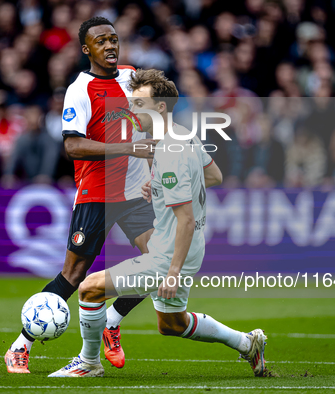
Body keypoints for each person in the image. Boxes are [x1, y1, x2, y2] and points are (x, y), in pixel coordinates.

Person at [48, 69, 268, 378]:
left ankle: (88, 363)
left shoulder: (167, 152)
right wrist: (164, 187)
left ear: (160, 107)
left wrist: (172, 272)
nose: (132, 109)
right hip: (191, 249)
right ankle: (248, 343)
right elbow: (214, 175)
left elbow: (187, 221)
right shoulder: (183, 133)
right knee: (171, 324)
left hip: (169, 253)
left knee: (89, 288)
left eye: (139, 104)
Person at [4, 16, 157, 373]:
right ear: (86, 49)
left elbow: (153, 118)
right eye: (101, 41)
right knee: (72, 276)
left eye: (114, 39)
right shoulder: (79, 89)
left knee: (161, 265)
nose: (110, 46)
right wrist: (129, 150)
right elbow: (73, 146)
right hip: (97, 192)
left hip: (135, 192)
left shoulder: (132, 77)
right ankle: (20, 347)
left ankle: (111, 322)